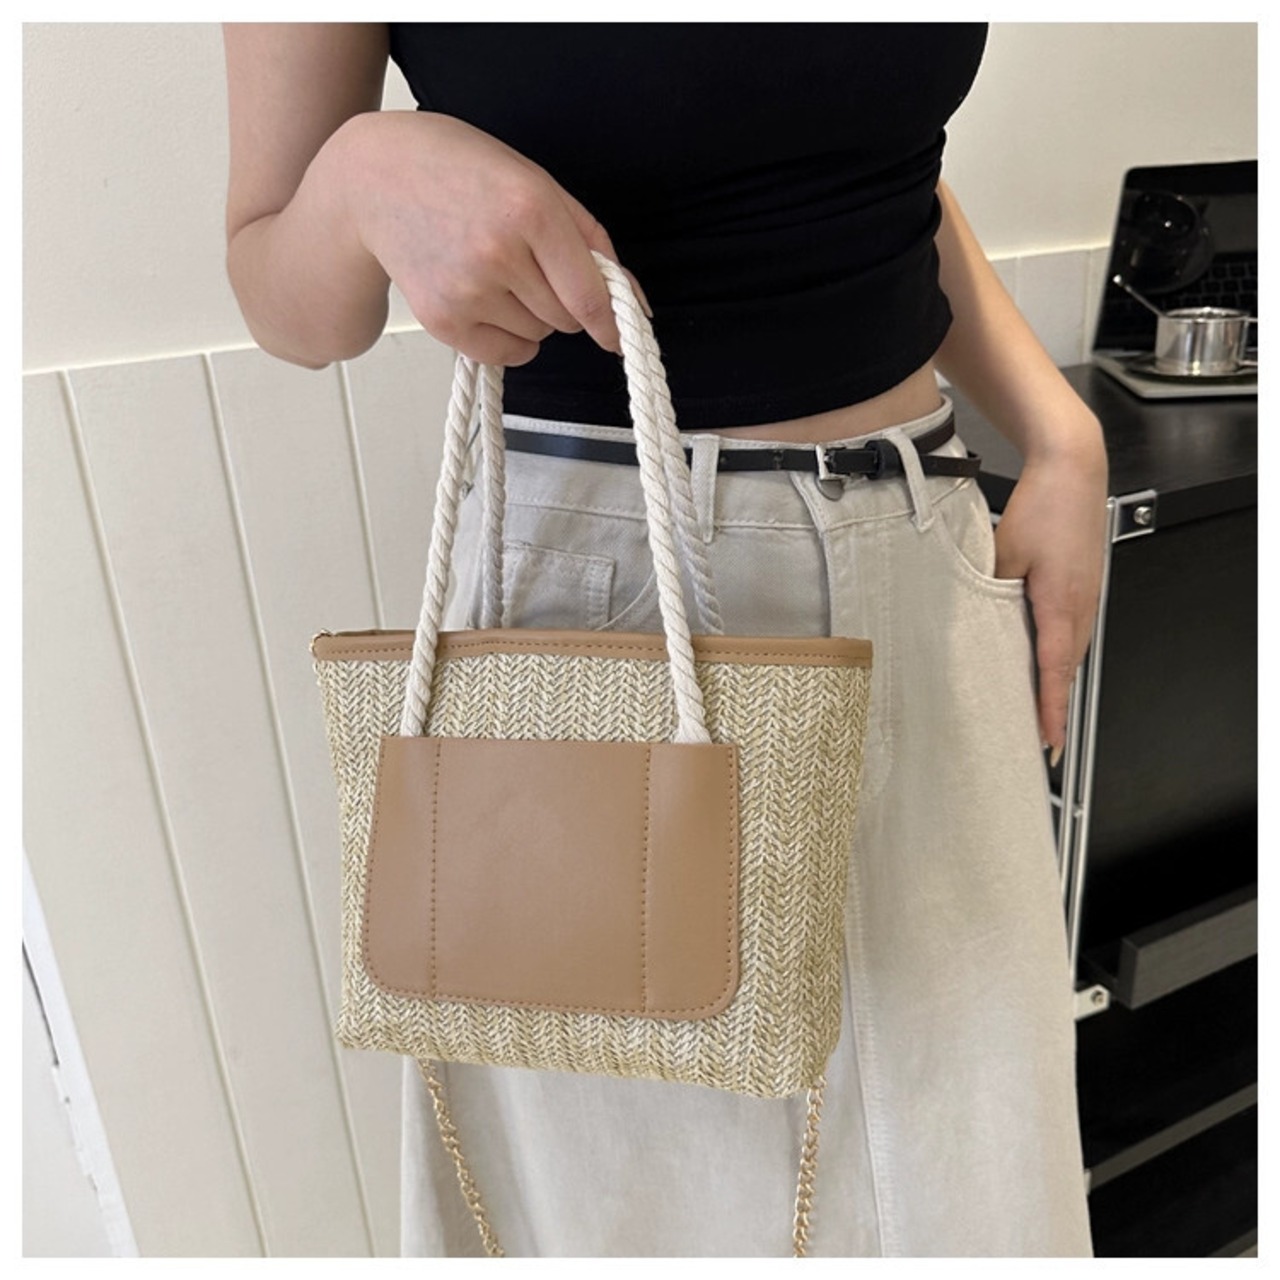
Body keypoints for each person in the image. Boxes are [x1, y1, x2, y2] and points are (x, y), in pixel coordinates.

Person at [222, 22, 1107, 1257]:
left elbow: (868, 153)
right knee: (638, 1211)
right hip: (600, 604)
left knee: (981, 1176)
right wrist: (362, 168)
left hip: (920, 539)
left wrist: (1059, 431)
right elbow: (281, 288)